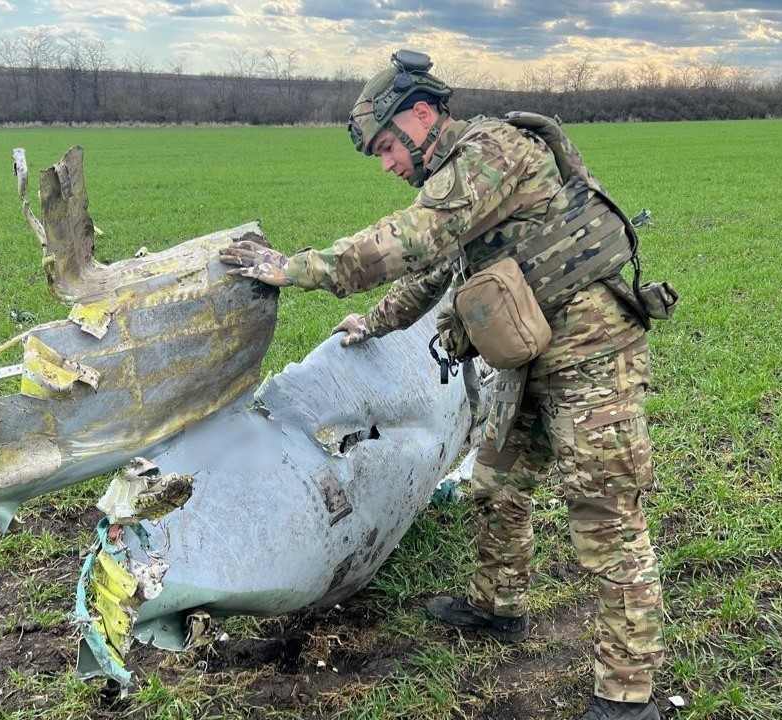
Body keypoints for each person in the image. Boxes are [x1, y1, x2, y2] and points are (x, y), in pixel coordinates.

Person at [219, 49, 672, 720]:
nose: (387, 164)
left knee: (605, 516)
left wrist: (299, 268)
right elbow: (437, 272)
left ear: (423, 114)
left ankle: (629, 695)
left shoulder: (492, 150)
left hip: (593, 348)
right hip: (531, 355)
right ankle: (497, 605)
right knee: (495, 483)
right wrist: (371, 324)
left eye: (386, 147)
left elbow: (415, 238)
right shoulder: (465, 180)